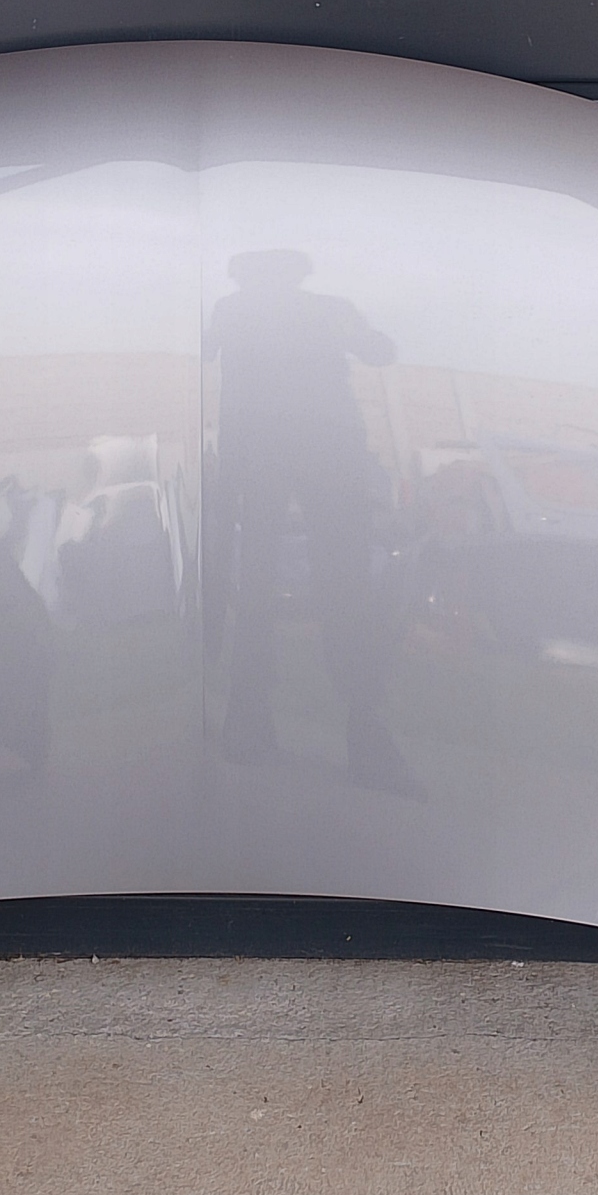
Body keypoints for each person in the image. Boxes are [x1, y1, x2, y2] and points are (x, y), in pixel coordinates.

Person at [206, 249, 420, 795]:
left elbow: (379, 350)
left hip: (287, 454)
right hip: (310, 453)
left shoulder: (241, 310)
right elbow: (380, 350)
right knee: (328, 587)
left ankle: (257, 722)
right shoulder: (315, 309)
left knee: (279, 586)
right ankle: (352, 727)